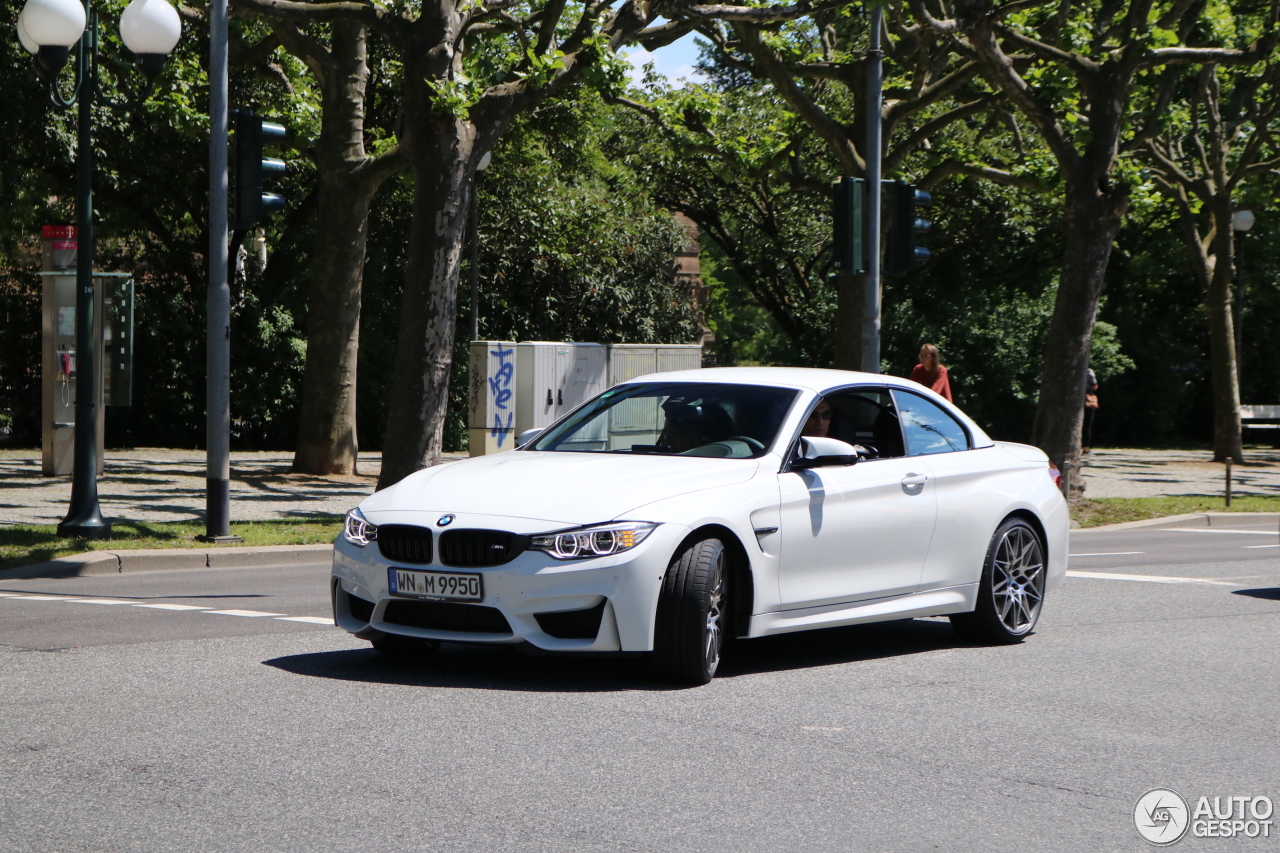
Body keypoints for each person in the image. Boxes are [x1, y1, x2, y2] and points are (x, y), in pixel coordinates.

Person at [1082, 366, 1099, 454]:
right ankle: (1086, 448)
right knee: (1087, 425)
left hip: (1074, 400)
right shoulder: (1089, 371)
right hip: (1088, 400)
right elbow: (1095, 386)